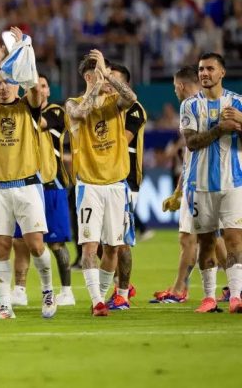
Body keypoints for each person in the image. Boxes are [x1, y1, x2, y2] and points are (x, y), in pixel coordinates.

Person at [0, 28, 56, 320]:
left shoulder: (28, 107)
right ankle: (5, 306)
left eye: (8, 82)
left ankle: (48, 292)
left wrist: (25, 51)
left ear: (17, 85)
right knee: (1, 247)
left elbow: (36, 90)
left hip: (26, 185)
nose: (2, 87)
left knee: (36, 244)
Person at [65, 49, 137, 317]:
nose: (104, 80)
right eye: (98, 73)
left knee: (114, 247)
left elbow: (132, 97)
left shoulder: (115, 101)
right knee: (90, 246)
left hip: (117, 185)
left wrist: (107, 74)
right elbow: (83, 113)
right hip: (90, 186)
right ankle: (96, 301)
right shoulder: (72, 104)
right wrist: (95, 86)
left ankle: (104, 296)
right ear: (87, 76)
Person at [179, 52, 242, 314]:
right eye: (201, 69)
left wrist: (239, 123)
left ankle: (237, 296)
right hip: (200, 184)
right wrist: (222, 127)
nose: (204, 73)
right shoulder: (190, 105)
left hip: (232, 182)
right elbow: (192, 143)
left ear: (222, 73)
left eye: (210, 69)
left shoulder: (238, 103)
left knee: (234, 239)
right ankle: (209, 298)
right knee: (206, 241)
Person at [10, 73, 76, 306]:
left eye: (43, 85)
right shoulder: (20, 112)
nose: (38, 88)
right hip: (25, 184)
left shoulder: (56, 112)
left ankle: (67, 291)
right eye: (34, 85)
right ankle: (19, 290)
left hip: (51, 185)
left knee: (56, 243)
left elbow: (37, 123)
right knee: (20, 241)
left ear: (47, 91)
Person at [152, 66, 201, 305]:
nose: (174, 91)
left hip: (205, 183)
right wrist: (179, 189)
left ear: (181, 86)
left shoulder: (191, 106)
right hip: (195, 181)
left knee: (202, 239)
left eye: (174, 86)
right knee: (198, 239)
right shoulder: (202, 105)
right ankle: (180, 287)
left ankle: (181, 289)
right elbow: (189, 154)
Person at [106, 62, 147, 310]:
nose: (109, 86)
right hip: (102, 180)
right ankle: (120, 284)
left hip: (126, 181)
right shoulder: (104, 106)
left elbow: (119, 141)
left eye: (114, 81)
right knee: (102, 243)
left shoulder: (134, 109)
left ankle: (122, 293)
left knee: (120, 241)